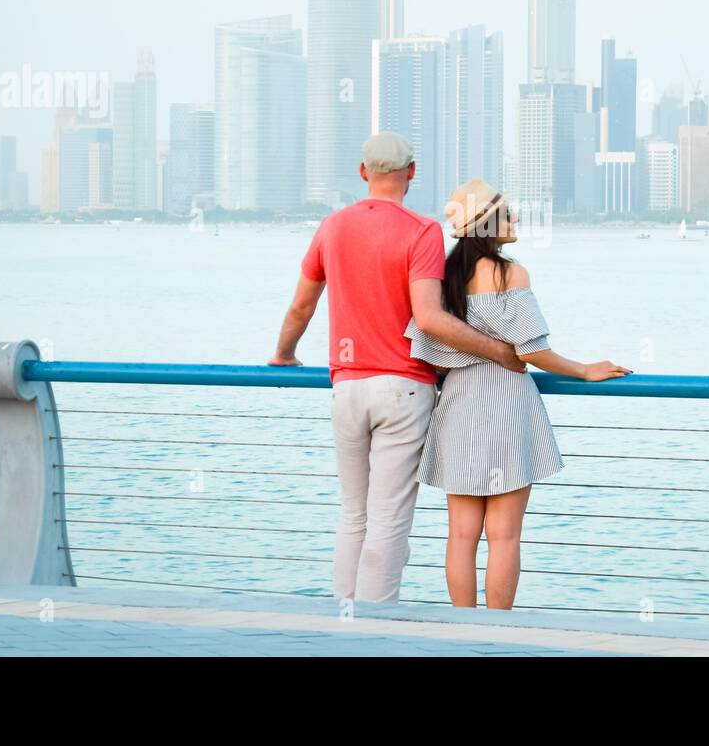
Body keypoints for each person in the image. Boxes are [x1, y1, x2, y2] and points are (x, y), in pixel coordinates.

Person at [267, 134, 526, 604]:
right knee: (387, 521)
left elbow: (301, 307)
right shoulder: (421, 231)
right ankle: (373, 631)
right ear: (411, 172)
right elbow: (429, 318)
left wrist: (284, 354)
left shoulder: (331, 227)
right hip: (404, 389)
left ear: (363, 173)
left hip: (346, 387)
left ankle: (344, 620)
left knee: (353, 517)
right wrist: (499, 351)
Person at [405, 178, 631, 609]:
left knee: (461, 534)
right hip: (507, 405)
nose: (517, 219)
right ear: (487, 223)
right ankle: (496, 632)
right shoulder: (511, 272)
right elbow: (533, 349)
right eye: (508, 213)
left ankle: (463, 630)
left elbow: (429, 348)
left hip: (458, 406)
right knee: (504, 535)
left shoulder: (445, 278)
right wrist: (585, 369)